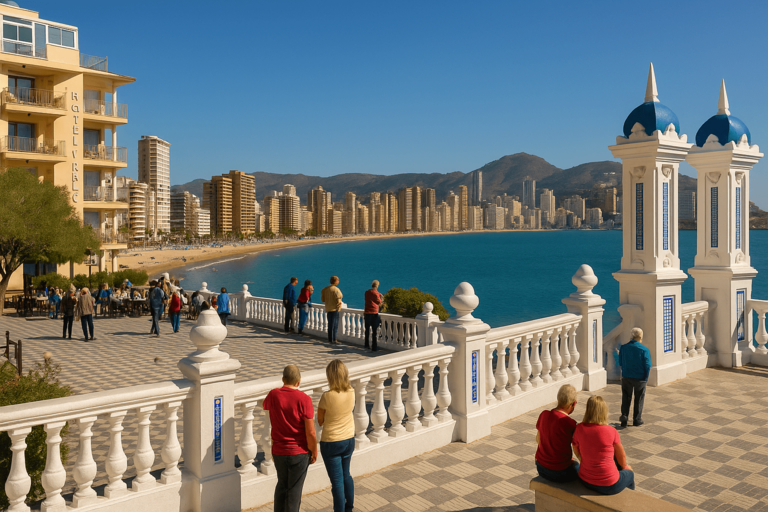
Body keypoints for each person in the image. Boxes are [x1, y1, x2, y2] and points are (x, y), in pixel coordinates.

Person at [263, 365, 317, 512]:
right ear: (298, 382)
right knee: (294, 491)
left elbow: (265, 406)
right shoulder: (304, 399)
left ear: (283, 379)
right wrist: (314, 451)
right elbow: (311, 432)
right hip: (298, 453)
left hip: (279, 451)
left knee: (282, 486)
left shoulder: (273, 394)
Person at [573, 396, 635, 495]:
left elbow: (576, 449)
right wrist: (625, 467)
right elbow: (621, 456)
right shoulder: (611, 431)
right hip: (609, 485)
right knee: (630, 474)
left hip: (585, 480)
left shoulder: (578, 429)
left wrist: (583, 460)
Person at [318, 360, 355, 512]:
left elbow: (320, 421)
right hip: (349, 439)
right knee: (346, 475)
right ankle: (349, 507)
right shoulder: (351, 391)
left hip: (331, 441)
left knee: (337, 481)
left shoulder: (327, 396)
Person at [535, 384, 579, 482]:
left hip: (541, 467)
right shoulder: (570, 423)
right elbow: (578, 450)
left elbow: (538, 439)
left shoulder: (543, 415)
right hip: (561, 473)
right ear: (574, 403)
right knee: (577, 466)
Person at [618, 327, 652, 427]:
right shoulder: (644, 350)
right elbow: (647, 365)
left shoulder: (624, 347)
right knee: (639, 398)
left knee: (626, 397)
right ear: (641, 337)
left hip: (627, 376)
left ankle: (624, 417)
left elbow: (620, 362)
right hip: (640, 378)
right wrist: (646, 377)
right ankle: (637, 419)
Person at [321, 276, 343, 344]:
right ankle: (334, 338)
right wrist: (339, 308)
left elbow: (323, 300)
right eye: (338, 280)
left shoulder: (325, 289)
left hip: (328, 309)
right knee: (335, 325)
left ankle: (330, 338)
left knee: (330, 325)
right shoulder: (336, 290)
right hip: (334, 309)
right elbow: (339, 301)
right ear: (336, 281)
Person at [364, 280, 384, 351]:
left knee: (367, 330)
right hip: (374, 313)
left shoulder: (367, 292)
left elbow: (367, 299)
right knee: (374, 331)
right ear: (377, 286)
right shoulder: (376, 293)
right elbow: (379, 302)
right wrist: (381, 297)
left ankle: (366, 344)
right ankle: (374, 347)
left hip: (366, 313)